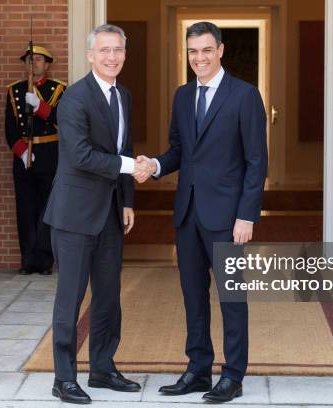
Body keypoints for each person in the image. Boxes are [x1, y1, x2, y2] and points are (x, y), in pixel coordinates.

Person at [136, 21, 268, 403]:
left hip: (227, 217)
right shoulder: (181, 96)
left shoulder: (244, 96)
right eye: (193, 52)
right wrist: (156, 166)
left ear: (221, 50)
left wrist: (247, 215)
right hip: (188, 214)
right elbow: (179, 151)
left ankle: (233, 375)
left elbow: (257, 162)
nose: (200, 58)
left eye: (206, 50)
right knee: (193, 296)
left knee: (231, 297)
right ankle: (197, 369)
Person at [42, 24, 152, 404]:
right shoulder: (74, 98)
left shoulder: (124, 95)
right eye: (104, 50)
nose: (112, 56)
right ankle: (64, 378)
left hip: (109, 214)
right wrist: (129, 167)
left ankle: (103, 368)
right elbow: (81, 155)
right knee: (70, 298)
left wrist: (127, 200)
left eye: (118, 49)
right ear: (90, 55)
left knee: (108, 297)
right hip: (73, 215)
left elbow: (126, 145)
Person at [5, 45, 66, 275]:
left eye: (39, 59)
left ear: (47, 64)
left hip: (50, 153)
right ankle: (28, 259)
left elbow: (63, 121)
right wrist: (21, 151)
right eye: (30, 60)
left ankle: (44, 260)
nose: (34, 63)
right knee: (25, 208)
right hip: (24, 157)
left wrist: (40, 107)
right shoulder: (15, 91)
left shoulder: (59, 89)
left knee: (47, 208)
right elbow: (10, 128)